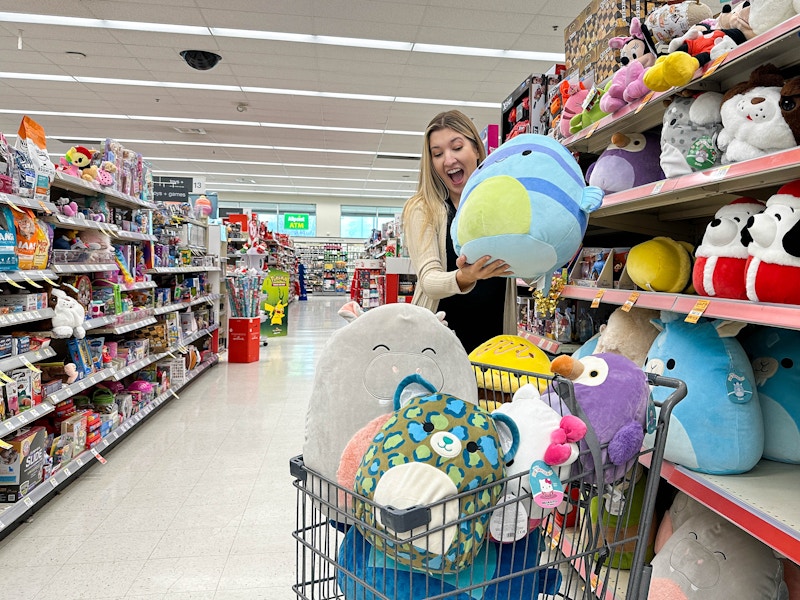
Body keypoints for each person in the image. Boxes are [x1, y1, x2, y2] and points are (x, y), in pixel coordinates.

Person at [402, 109, 517, 353]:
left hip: (495, 340)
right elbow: (429, 280)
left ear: (476, 149)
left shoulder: (500, 202)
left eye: (456, 147)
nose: (448, 159)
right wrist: (466, 276)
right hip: (438, 344)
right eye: (438, 153)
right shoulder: (423, 209)